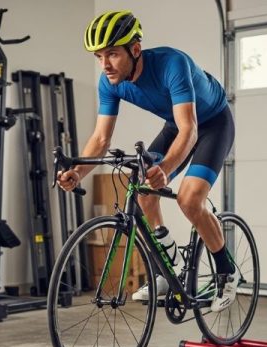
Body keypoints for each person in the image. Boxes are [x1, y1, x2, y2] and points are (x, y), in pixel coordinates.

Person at [57, 10, 236, 312]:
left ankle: (226, 273)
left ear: (135, 49)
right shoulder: (109, 82)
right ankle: (168, 267)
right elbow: (101, 139)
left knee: (190, 199)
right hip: (175, 124)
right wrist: (77, 172)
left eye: (112, 54)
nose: (105, 64)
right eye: (99, 56)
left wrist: (165, 169)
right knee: (141, 191)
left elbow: (190, 130)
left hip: (212, 124)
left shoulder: (172, 64)